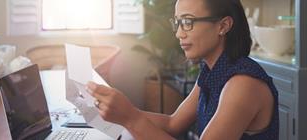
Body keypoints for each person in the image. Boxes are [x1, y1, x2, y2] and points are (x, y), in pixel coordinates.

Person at [86, 0, 279, 139]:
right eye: (177, 23)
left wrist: (130, 118)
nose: (179, 33)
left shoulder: (243, 84)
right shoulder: (212, 71)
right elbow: (173, 123)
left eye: (188, 22)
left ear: (223, 26)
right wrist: (122, 111)